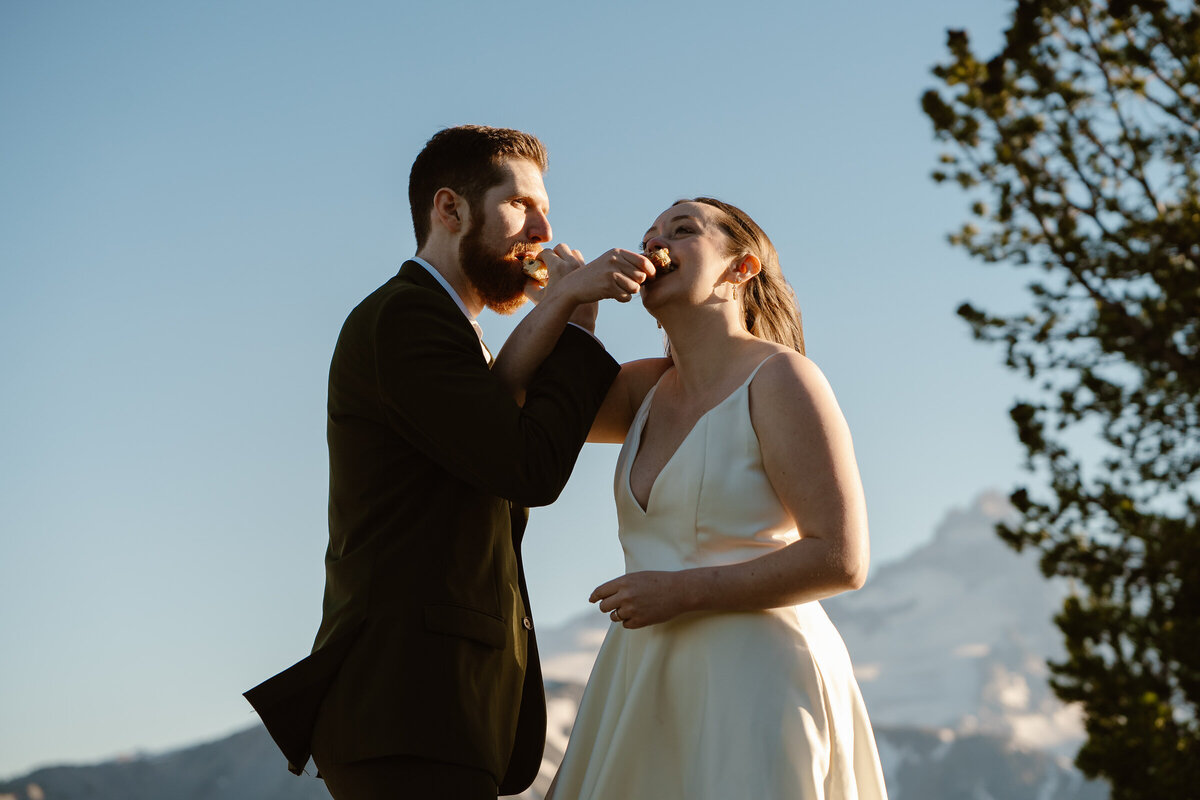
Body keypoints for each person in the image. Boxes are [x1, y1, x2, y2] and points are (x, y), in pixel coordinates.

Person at [243, 125, 654, 799]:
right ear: (450, 209)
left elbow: (497, 400)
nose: (545, 228)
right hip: (410, 706)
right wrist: (574, 319)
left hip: (441, 714)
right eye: (521, 205)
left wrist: (558, 306)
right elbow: (525, 463)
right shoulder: (405, 318)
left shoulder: (456, 336)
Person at [545, 198, 890, 799]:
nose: (656, 243)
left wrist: (681, 591)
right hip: (644, 677)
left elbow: (842, 557)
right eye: (650, 234)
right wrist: (569, 306)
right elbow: (523, 411)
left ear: (742, 269)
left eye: (682, 231)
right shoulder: (640, 389)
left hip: (754, 678)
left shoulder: (782, 379)